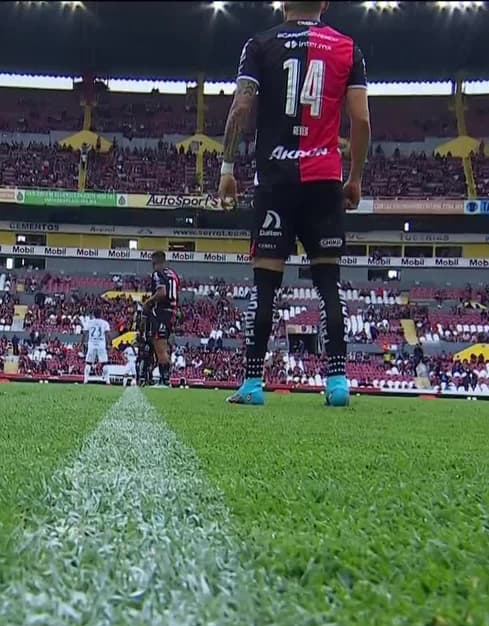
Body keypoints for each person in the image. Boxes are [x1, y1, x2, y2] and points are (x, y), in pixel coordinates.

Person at [217, 0, 369, 407]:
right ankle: (337, 383)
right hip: (324, 182)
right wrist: (354, 178)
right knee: (327, 284)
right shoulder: (348, 48)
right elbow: (363, 121)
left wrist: (227, 168)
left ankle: (252, 385)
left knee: (265, 283)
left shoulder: (259, 44)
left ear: (282, 2)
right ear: (324, 3)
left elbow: (241, 108)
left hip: (275, 180)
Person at [143, 251, 180, 387]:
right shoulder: (173, 275)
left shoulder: (158, 274)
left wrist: (148, 301)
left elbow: (162, 292)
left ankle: (164, 381)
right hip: (172, 312)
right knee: (163, 346)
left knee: (160, 347)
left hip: (162, 313)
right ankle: (165, 379)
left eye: (153, 264)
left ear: (156, 263)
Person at [82, 314, 111, 384]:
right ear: (100, 314)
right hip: (101, 344)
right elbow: (107, 334)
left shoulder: (89, 322)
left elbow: (85, 333)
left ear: (94, 315)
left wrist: (82, 342)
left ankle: (85, 380)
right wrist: (109, 343)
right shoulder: (104, 323)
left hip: (92, 344)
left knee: (88, 362)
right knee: (104, 363)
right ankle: (107, 381)